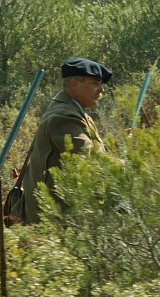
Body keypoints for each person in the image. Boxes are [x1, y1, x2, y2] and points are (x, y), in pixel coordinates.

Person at [12, 57, 112, 224]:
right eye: (95, 83)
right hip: (53, 220)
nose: (101, 89)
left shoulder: (77, 112)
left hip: (61, 215)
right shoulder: (64, 116)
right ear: (74, 84)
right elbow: (90, 161)